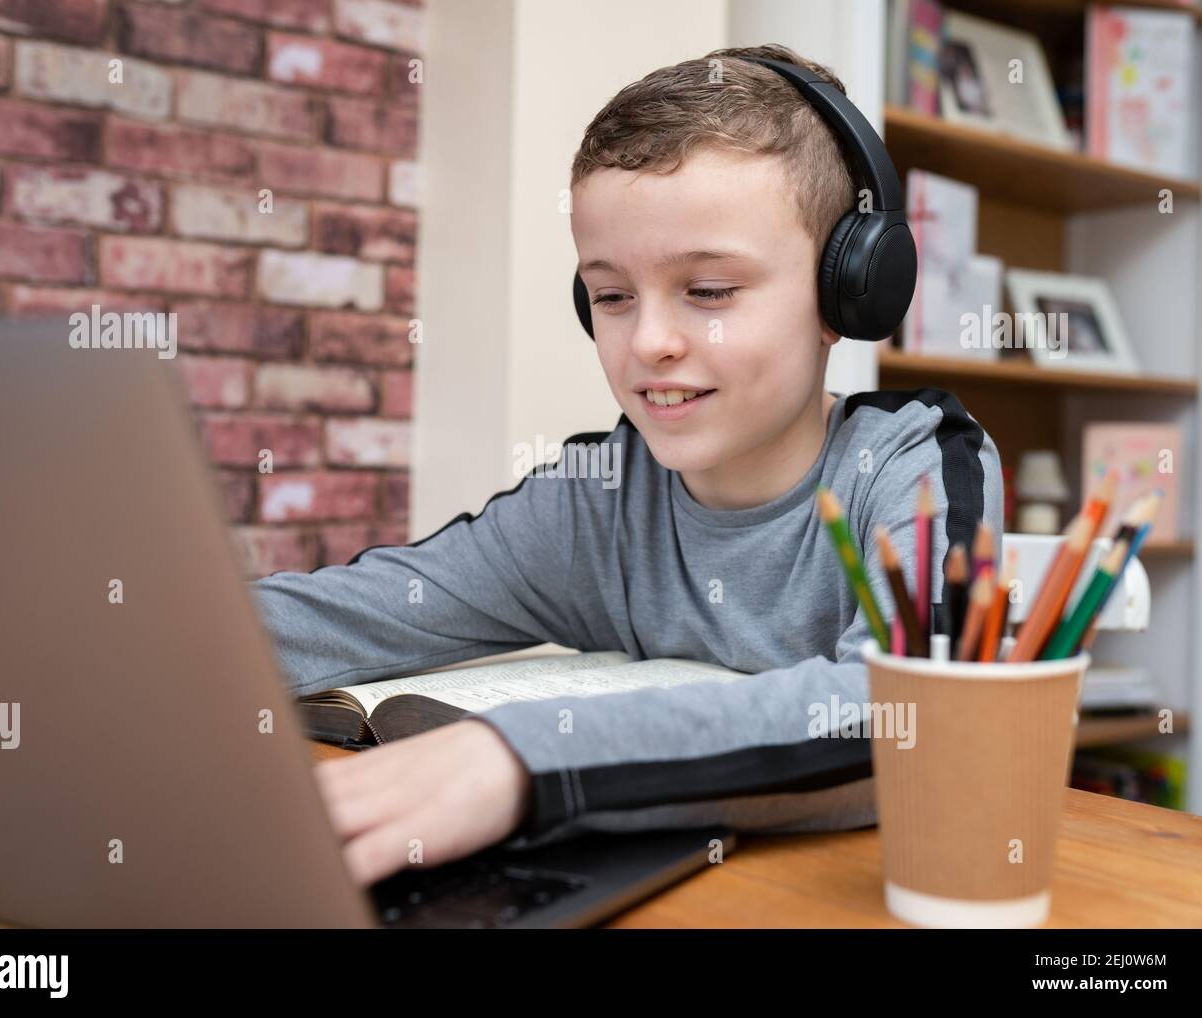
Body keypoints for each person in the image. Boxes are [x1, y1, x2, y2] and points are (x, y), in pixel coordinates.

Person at [251, 43, 1004, 887]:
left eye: (710, 291)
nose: (648, 343)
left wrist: (523, 762)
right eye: (611, 296)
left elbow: (909, 708)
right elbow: (356, 615)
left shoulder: (913, 465)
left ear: (846, 297)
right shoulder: (598, 504)